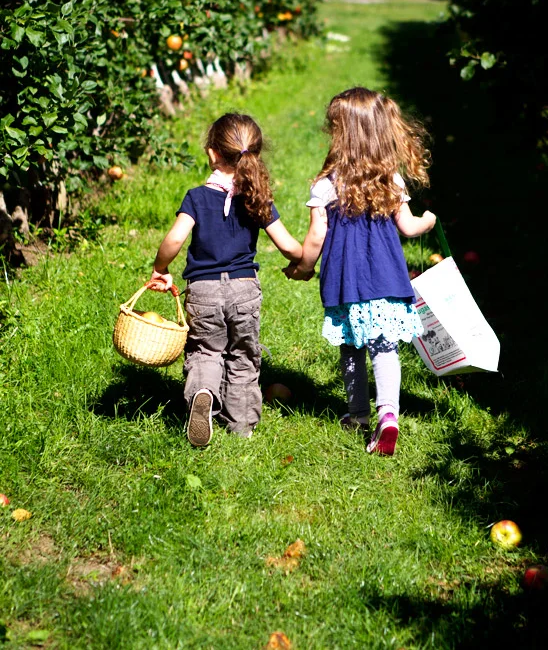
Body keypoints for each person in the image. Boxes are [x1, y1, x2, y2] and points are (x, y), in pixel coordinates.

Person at [285, 87, 436, 456]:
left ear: (342, 135)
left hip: (345, 282)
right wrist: (427, 222)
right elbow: (408, 227)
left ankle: (357, 415)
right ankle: (389, 415)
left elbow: (316, 237)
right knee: (385, 348)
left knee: (351, 348)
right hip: (386, 279)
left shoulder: (326, 185)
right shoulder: (392, 180)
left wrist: (303, 267)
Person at [149, 113, 302, 446]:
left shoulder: (197, 197)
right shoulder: (257, 198)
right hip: (244, 290)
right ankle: (242, 425)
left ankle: (203, 393)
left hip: (202, 291)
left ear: (212, 154)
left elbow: (174, 240)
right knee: (243, 355)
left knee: (205, 350)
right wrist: (304, 261)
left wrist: (161, 267)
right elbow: (288, 245)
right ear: (255, 156)